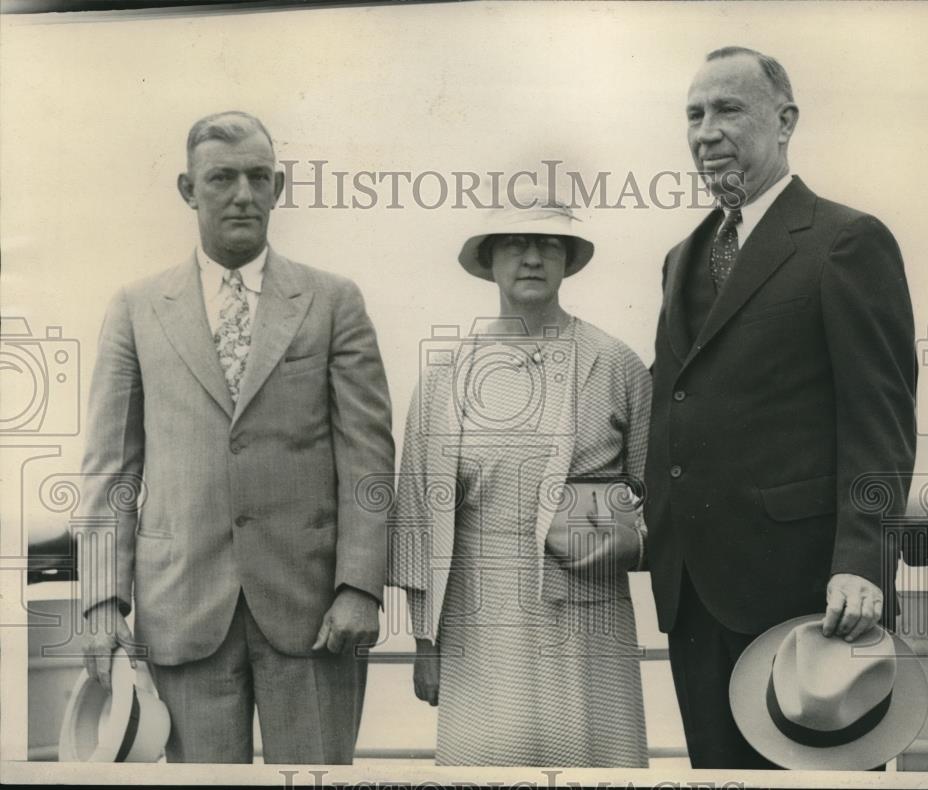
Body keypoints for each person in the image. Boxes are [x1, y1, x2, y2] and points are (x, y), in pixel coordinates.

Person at [77, 111, 395, 764]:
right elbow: (109, 468)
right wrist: (100, 600)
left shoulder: (333, 302)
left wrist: (359, 586)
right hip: (183, 610)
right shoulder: (136, 309)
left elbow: (368, 455)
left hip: (314, 618)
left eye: (258, 177)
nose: (243, 195)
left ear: (277, 187)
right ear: (188, 190)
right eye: (222, 178)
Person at [643, 47, 917, 769]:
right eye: (694, 115)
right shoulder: (680, 258)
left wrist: (863, 559)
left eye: (728, 109)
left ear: (785, 119)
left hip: (809, 593)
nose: (706, 131)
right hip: (693, 595)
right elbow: (679, 399)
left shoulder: (845, 241)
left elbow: (880, 421)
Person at [388, 193, 650, 767]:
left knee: (592, 766)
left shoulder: (617, 363)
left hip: (588, 613)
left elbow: (657, 499)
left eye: (548, 244)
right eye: (515, 243)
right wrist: (423, 644)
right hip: (477, 620)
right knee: (489, 768)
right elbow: (416, 519)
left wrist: (626, 536)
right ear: (489, 259)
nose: (532, 257)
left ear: (567, 259)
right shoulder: (445, 376)